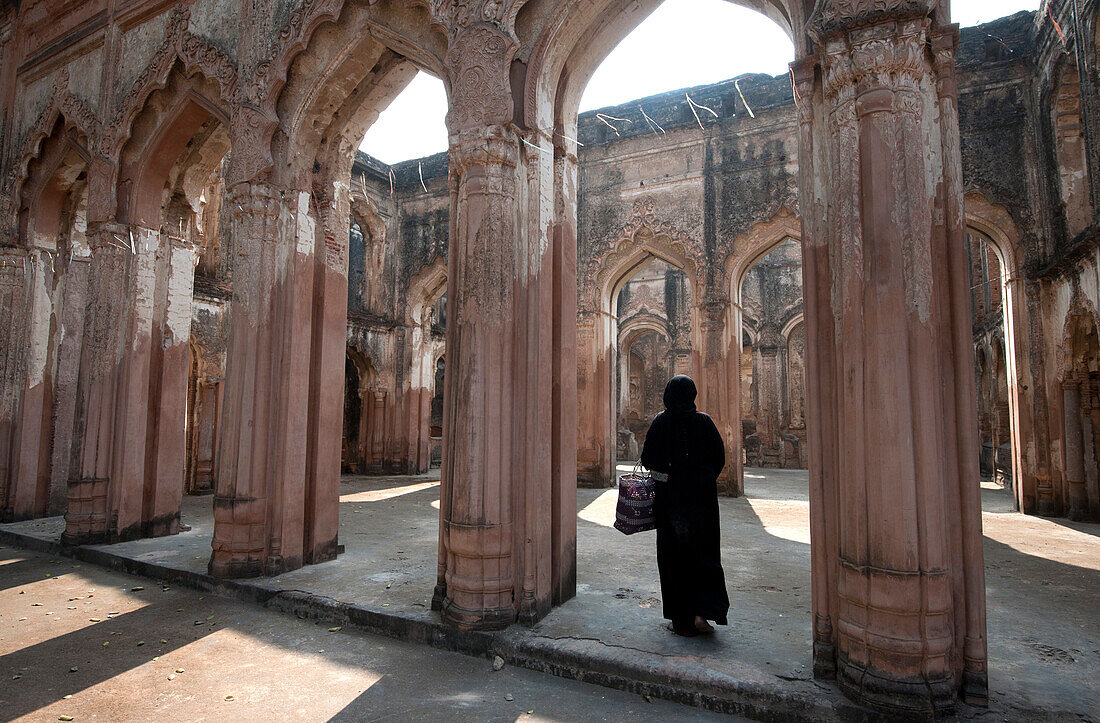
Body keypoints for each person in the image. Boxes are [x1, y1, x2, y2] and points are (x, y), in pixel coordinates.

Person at [640, 375, 730, 637]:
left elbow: (648, 460)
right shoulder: (704, 421)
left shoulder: (661, 422)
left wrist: (670, 476)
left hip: (671, 501)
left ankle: (681, 621)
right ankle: (704, 614)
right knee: (705, 555)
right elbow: (719, 457)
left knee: (674, 559)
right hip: (702, 501)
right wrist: (701, 479)